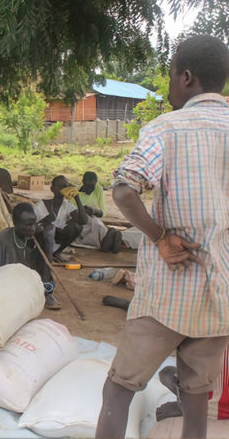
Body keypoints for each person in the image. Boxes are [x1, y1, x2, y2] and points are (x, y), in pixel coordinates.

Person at [95, 36, 229, 439]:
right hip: (219, 294)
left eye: (171, 75)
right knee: (195, 397)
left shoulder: (166, 128)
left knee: (118, 391)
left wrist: (160, 237)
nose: (170, 84)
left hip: (167, 296)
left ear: (186, 78)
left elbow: (123, 190)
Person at [0, 203, 60, 309]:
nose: (32, 228)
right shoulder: (4, 237)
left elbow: (45, 262)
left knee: (47, 241)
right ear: (15, 223)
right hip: (10, 281)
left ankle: (47, 293)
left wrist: (45, 238)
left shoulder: (38, 235)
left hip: (32, 282)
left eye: (34, 224)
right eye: (28, 225)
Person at [156, 345, 229, 422]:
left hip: (204, 404)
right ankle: (190, 404)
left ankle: (187, 406)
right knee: (168, 373)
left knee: (166, 374)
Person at [33, 175, 88, 262]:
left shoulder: (67, 206)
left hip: (57, 237)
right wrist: (45, 221)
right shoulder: (42, 204)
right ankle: (44, 254)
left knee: (77, 226)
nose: (64, 188)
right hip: (42, 238)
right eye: (61, 186)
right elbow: (31, 225)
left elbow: (84, 221)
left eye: (66, 186)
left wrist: (77, 198)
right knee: (49, 228)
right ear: (52, 189)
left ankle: (57, 252)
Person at [73, 171, 122, 253]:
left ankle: (107, 243)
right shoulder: (75, 194)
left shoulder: (97, 188)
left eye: (92, 186)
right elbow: (71, 213)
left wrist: (94, 211)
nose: (91, 189)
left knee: (97, 224)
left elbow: (104, 212)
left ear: (95, 183)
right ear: (83, 182)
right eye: (88, 186)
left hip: (93, 218)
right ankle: (107, 243)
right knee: (93, 226)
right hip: (80, 220)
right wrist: (82, 210)